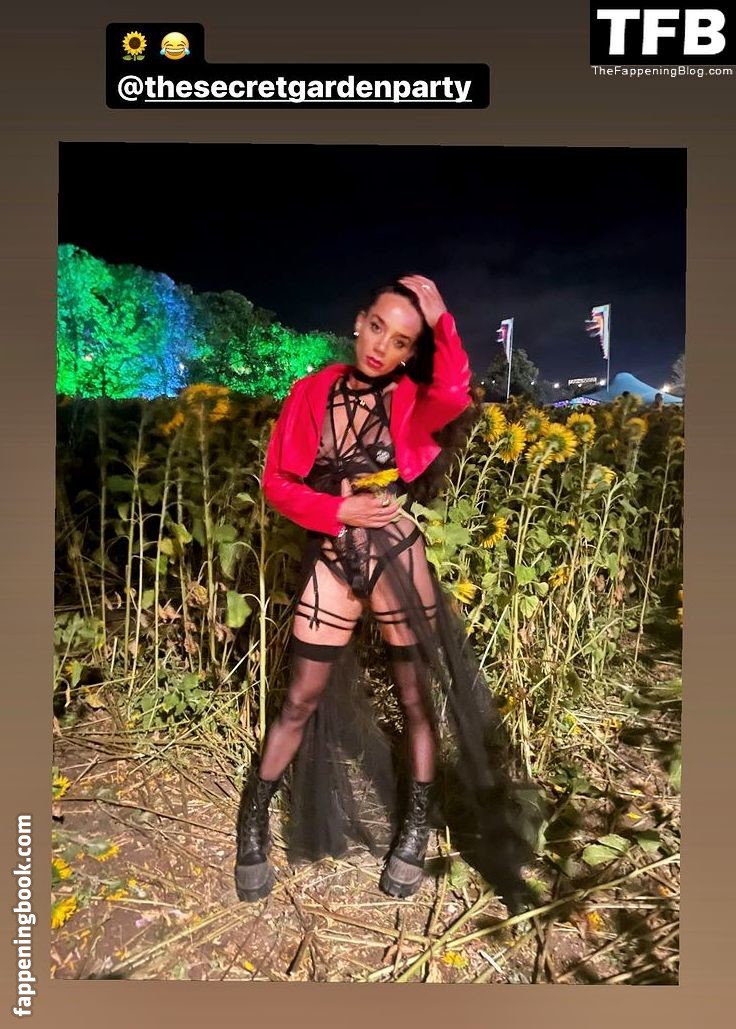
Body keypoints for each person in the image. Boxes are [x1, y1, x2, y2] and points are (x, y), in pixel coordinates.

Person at [234, 274, 535, 909]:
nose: (381, 347)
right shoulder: (312, 391)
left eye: (400, 341)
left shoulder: (412, 399)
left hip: (397, 556)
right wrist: (336, 511)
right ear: (359, 320)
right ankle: (254, 819)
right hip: (333, 555)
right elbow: (278, 482)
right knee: (300, 698)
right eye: (376, 328)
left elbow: (453, 391)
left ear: (409, 352)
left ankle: (415, 829)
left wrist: (443, 320)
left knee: (416, 700)